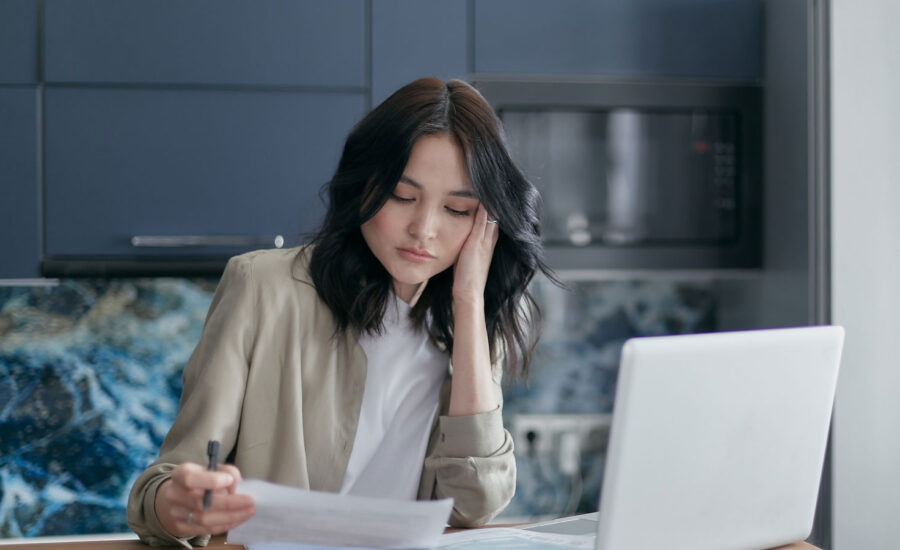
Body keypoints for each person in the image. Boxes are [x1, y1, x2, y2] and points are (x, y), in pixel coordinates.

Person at [126, 77, 553, 547]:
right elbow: (161, 486)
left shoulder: (467, 324)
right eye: (402, 197)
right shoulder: (264, 288)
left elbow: (475, 504)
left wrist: (470, 301)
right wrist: (179, 504)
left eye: (456, 209)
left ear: (486, 223)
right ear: (363, 184)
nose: (424, 230)